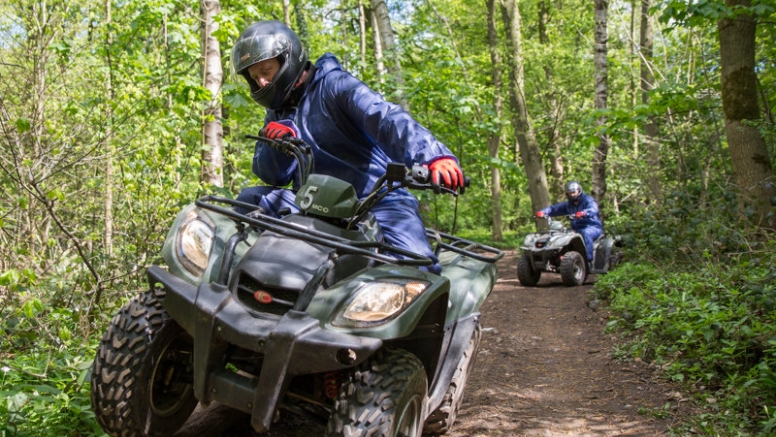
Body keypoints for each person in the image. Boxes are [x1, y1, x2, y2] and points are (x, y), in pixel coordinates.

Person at [230, 20, 465, 274]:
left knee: (418, 269)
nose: (262, 82)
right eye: (255, 77)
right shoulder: (277, 112)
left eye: (266, 70)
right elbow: (270, 175)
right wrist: (276, 145)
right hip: (312, 205)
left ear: (288, 59)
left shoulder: (335, 85)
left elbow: (386, 119)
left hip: (374, 201)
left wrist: (434, 156)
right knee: (248, 201)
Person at [536, 181, 603, 265]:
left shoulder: (588, 200)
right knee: (561, 235)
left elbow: (593, 209)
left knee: (586, 233)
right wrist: (543, 212)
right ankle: (560, 259)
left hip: (592, 227)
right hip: (576, 228)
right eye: (570, 193)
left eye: (573, 192)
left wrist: (583, 213)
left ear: (579, 191)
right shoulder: (568, 205)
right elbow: (554, 208)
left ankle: (588, 261)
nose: (572, 195)